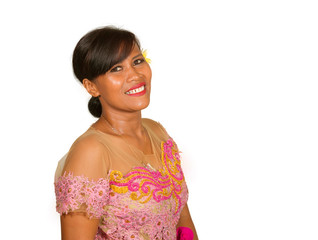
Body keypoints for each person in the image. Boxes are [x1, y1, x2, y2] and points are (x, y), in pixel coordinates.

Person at [54, 26, 198, 240]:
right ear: (92, 87)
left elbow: (183, 220)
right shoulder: (91, 151)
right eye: (116, 69)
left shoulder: (157, 133)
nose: (135, 75)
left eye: (137, 61)